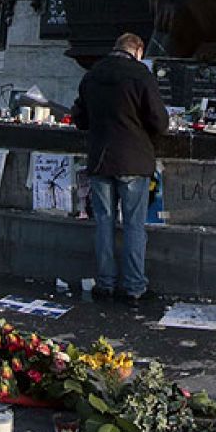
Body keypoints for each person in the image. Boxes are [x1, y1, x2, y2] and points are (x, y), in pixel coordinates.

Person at [71, 31, 168, 307]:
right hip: (133, 159)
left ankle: (105, 284)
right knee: (134, 225)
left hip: (100, 159)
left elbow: (80, 118)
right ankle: (134, 287)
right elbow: (159, 122)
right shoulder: (140, 75)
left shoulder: (92, 75)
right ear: (137, 51)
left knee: (104, 222)